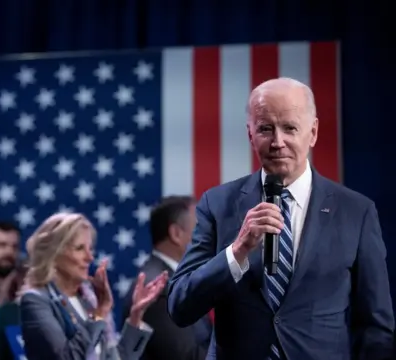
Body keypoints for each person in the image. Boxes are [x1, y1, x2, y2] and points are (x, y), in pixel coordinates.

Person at [167, 77, 394, 359]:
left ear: (312, 132)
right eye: (265, 129)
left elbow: (375, 326)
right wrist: (237, 252)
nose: (278, 142)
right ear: (250, 135)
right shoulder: (218, 203)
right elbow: (180, 306)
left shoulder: (356, 212)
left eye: (290, 128)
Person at [19, 212, 168, 360]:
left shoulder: (88, 301)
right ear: (54, 253)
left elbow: (115, 358)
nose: (90, 257)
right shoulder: (36, 301)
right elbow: (69, 357)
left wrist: (136, 314)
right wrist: (99, 313)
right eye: (79, 248)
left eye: (90, 249)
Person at [122, 195, 210, 360]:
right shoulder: (158, 289)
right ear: (176, 234)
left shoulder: (175, 280)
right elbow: (186, 357)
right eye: (201, 227)